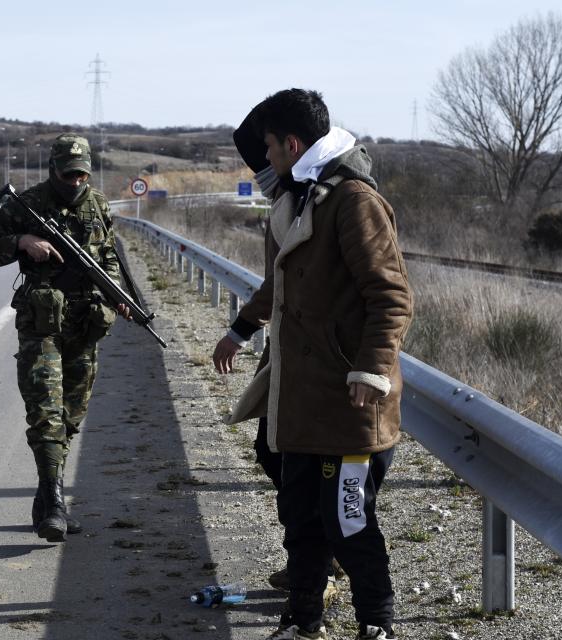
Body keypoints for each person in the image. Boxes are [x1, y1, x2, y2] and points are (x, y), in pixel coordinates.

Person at [225, 89, 413, 640]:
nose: (265, 161)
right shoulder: (300, 197)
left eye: (268, 148)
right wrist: (240, 329)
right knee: (302, 519)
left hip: (349, 400)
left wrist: (371, 368)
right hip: (302, 400)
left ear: (291, 143)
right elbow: (282, 283)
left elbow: (392, 297)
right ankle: (301, 619)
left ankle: (377, 622)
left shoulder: (353, 200)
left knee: (349, 522)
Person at [0, 133, 130, 543]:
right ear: (53, 169)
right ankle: (57, 504)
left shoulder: (98, 205)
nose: (75, 182)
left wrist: (118, 294)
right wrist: (22, 241)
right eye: (68, 174)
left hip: (86, 323)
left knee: (72, 415)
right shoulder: (27, 204)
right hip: (42, 324)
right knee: (45, 410)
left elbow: (110, 255)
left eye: (82, 175)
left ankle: (47, 498)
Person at [213, 101, 340, 606]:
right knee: (275, 452)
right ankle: (313, 561)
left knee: (295, 460)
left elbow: (284, 280)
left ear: (286, 149)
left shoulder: (312, 197)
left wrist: (241, 328)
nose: (260, 171)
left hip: (320, 355)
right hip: (291, 347)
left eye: (263, 157)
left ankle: (321, 566)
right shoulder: (289, 196)